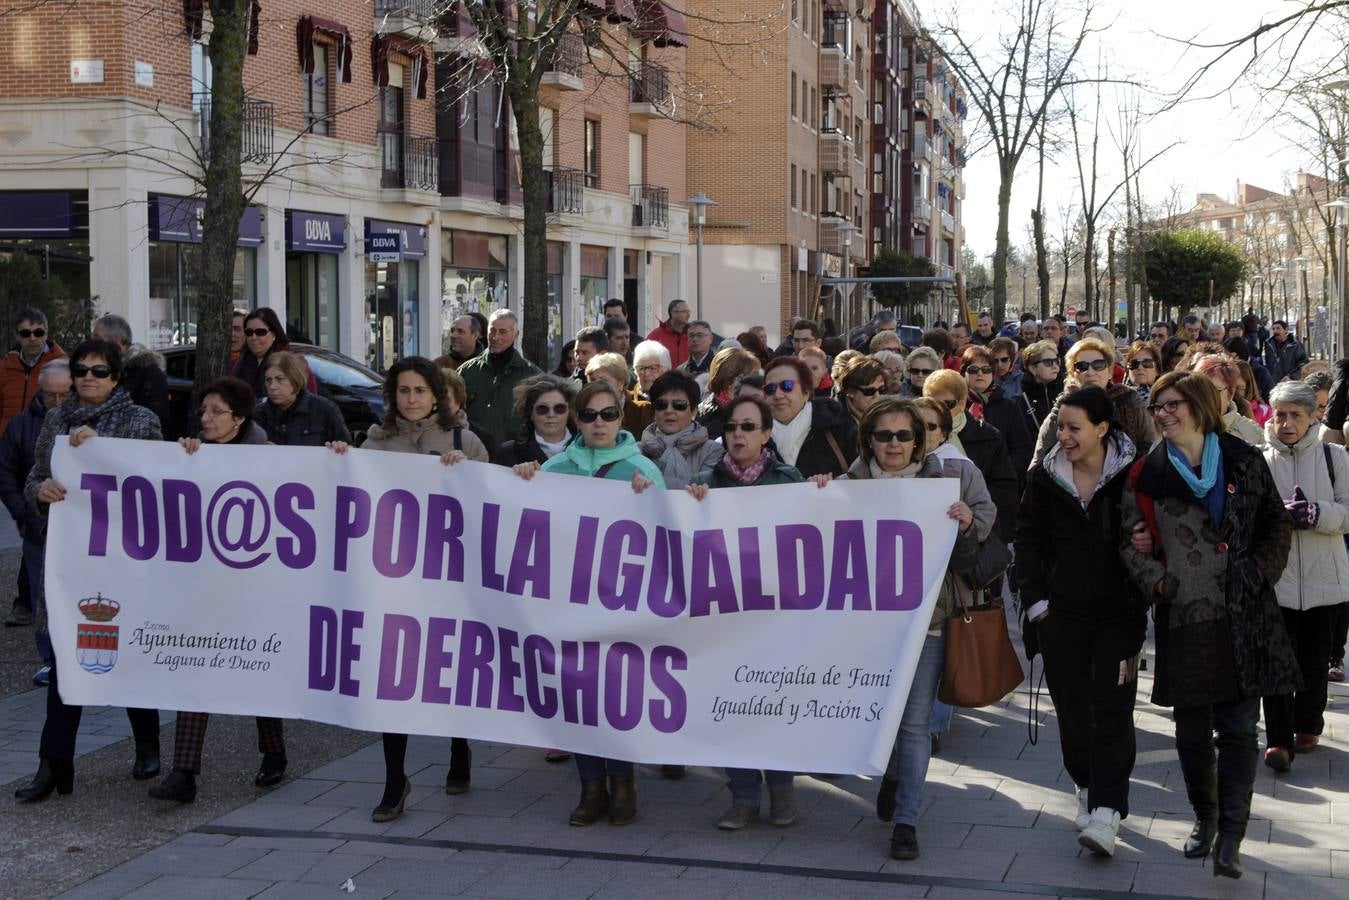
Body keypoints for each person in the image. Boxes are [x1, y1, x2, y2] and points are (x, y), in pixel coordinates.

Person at [1120, 371, 1299, 880]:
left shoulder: (1243, 459)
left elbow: (1276, 522)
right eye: (1158, 406)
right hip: (1187, 617)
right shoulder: (1146, 474)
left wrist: (1258, 570)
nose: (1164, 413)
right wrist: (1160, 583)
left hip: (1244, 613)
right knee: (1192, 732)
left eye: (1174, 404)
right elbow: (1128, 544)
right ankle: (1205, 815)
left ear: (1200, 406)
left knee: (1240, 731)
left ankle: (1232, 838)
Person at [330, 357, 485, 821]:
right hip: (393, 583)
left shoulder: (464, 441)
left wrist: (467, 474)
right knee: (390, 678)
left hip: (449, 579)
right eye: (403, 391)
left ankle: (460, 746)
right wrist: (339, 463)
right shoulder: (374, 445)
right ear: (392, 396)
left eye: (420, 390)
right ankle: (395, 780)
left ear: (436, 394)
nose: (412, 399)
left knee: (450, 667)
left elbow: (495, 510)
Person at [825, 398, 980, 860]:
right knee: (880, 719)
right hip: (866, 629)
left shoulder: (943, 484)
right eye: (883, 435)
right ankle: (893, 774)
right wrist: (817, 496)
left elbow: (968, 560)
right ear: (868, 439)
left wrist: (966, 527)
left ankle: (907, 822)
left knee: (914, 726)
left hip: (925, 625)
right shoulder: (850, 483)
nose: (893, 444)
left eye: (903, 435)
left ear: (920, 439)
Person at [16, 339, 163, 802]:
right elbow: (33, 476)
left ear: (116, 377)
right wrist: (41, 491)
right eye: (81, 370)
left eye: (99, 371)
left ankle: (147, 744)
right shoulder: (57, 420)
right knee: (65, 658)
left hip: (125, 560)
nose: (88, 378)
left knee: (130, 650)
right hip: (73, 561)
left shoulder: (141, 421)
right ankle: (52, 763)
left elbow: (159, 484)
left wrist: (104, 451)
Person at [513, 379, 664, 826]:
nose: (600, 423)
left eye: (609, 414)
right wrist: (522, 480)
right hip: (568, 604)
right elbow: (522, 521)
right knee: (576, 698)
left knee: (613, 699)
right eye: (590, 415)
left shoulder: (642, 469)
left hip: (620, 605)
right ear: (577, 420)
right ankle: (590, 787)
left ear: (621, 418)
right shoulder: (557, 468)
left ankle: (623, 784)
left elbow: (667, 535)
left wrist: (652, 499)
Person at [1015, 386, 1143, 857]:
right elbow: (1026, 540)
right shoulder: (1045, 476)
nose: (1064, 437)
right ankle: (1086, 785)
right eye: (1060, 427)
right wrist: (1036, 604)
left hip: (1120, 615)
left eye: (1074, 428)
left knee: (1112, 708)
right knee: (1072, 710)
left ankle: (1108, 811)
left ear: (1102, 428)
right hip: (1060, 615)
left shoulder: (1137, 471)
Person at [149, 377, 282, 804]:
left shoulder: (270, 459)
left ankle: (274, 752)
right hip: (205, 586)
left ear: (239, 419)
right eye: (202, 411)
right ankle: (183, 772)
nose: (205, 419)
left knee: (259, 672)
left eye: (215, 412)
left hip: (254, 588)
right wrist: (186, 461)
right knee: (197, 670)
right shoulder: (195, 455)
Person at [686, 395, 807, 829]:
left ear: (767, 434)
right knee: (730, 709)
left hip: (776, 619)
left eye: (749, 427)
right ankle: (742, 797)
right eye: (732, 427)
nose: (738, 434)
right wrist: (691, 503)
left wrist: (826, 495)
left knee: (771, 708)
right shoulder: (706, 480)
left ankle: (781, 792)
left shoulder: (789, 480)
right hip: (723, 619)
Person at [1259, 382, 1349, 771]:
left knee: (1313, 660)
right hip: (1275, 581)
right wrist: (1276, 515)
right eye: (1280, 415)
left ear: (1314, 416)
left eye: (1296, 415)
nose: (1287, 423)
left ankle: (1308, 724)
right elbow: (1246, 517)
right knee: (1276, 661)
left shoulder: (1336, 457)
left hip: (1323, 579)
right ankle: (1278, 739)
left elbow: (1347, 513)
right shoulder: (1258, 460)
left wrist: (1316, 513)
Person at [0, 359, 70, 683]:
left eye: (63, 395)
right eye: (50, 395)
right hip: (37, 526)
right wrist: (24, 512)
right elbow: (7, 474)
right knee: (44, 595)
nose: (56, 402)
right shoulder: (21, 425)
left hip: (76, 527)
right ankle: (49, 658)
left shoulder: (79, 422)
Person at [1031, 338, 1155, 471]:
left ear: (1109, 372)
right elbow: (1039, 465)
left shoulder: (1129, 400)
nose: (1090, 372)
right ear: (1072, 374)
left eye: (1099, 365)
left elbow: (1150, 447)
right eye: (1082, 367)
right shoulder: (1061, 410)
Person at [924, 368, 1019, 540]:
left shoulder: (988, 436)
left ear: (961, 403)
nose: (940, 411)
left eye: (947, 404)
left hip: (977, 531)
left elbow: (1005, 486)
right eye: (933, 403)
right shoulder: (913, 437)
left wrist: (971, 504)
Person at [458, 309, 542, 449]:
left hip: (513, 457)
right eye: (492, 331)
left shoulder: (532, 375)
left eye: (503, 332)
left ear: (516, 335)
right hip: (471, 454)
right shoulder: (467, 370)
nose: (496, 337)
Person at [763, 357, 856, 477]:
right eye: (770, 389)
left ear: (806, 392)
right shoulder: (748, 431)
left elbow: (859, 477)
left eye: (787, 386)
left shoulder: (837, 427)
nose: (778, 395)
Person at [640, 369, 722, 488]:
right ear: (653, 410)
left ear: (694, 410)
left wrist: (654, 483)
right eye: (661, 404)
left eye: (679, 405)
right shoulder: (638, 451)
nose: (669, 411)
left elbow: (707, 492)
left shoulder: (711, 451)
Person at [961, 346, 1034, 478]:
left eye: (986, 369)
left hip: (1000, 483)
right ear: (963, 373)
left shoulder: (1009, 407)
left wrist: (1007, 478)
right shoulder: (955, 405)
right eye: (973, 369)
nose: (980, 374)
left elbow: (1021, 449)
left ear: (993, 373)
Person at [92, 314, 170, 434]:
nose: (93, 344)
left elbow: (155, 419)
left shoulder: (149, 373)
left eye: (97, 338)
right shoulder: (107, 369)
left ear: (117, 340)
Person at [254, 351, 351, 447]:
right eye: (268, 380)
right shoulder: (258, 414)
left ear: (295, 379)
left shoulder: (325, 410)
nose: (272, 386)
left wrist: (340, 446)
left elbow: (348, 448)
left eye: (280, 379)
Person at [0, 307, 66, 437]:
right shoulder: (4, 367)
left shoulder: (63, 366)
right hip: (6, 445)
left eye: (38, 332)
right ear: (17, 335)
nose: (32, 338)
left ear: (46, 334)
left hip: (45, 442)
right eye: (26, 333)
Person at [230, 307, 318, 397]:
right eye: (249, 332)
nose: (254, 337)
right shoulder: (236, 364)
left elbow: (309, 402)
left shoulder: (294, 363)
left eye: (260, 332)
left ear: (274, 334)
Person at [494, 374, 577, 466]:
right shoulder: (508, 453)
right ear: (530, 413)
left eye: (559, 408)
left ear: (569, 411)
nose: (551, 415)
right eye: (542, 408)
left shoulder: (589, 450)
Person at [1193, 355, 1264, 447]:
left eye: (1214, 390)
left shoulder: (1251, 433)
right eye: (1199, 389)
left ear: (1230, 394)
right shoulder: (1182, 426)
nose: (1205, 396)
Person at [696, 347, 760, 438]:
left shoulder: (740, 408)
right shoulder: (712, 420)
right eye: (749, 378)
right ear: (730, 381)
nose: (754, 384)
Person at [587, 351, 651, 439]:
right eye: (593, 380)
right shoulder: (585, 411)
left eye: (603, 381)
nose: (596, 386)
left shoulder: (643, 411)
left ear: (621, 383)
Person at [1020, 339, 1064, 427]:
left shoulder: (1065, 390)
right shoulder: (1020, 400)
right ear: (1033, 368)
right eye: (1048, 362)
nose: (1055, 366)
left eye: (1056, 361)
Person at [837, 356, 889, 426]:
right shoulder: (838, 424)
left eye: (881, 390)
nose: (877, 396)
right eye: (869, 391)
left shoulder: (886, 416)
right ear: (850, 391)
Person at [646, 299, 691, 367]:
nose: (688, 315)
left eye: (689, 311)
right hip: (665, 377)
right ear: (673, 314)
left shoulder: (693, 334)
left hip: (689, 377)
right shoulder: (656, 336)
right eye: (684, 312)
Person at [677, 319, 716, 384]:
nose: (695, 339)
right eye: (691, 336)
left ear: (711, 339)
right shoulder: (681, 371)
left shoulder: (720, 367)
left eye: (700, 335)